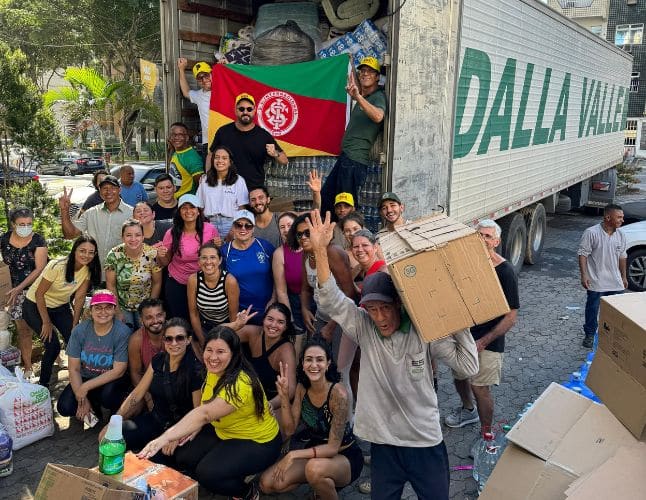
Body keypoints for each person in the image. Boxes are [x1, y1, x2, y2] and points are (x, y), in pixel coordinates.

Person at [307, 210, 479, 499]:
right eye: (372, 309)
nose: (380, 317)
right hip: (384, 443)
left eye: (385, 308)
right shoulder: (363, 326)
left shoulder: (424, 332)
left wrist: (456, 319)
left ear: (399, 305)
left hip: (424, 442)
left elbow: (469, 366)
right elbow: (330, 298)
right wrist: (321, 251)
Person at [137, 326, 282, 500]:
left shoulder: (240, 383)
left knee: (208, 474)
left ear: (234, 354)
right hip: (225, 431)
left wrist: (163, 438)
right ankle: (222, 471)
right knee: (183, 455)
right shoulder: (215, 370)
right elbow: (204, 409)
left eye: (221, 351)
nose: (213, 357)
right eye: (209, 350)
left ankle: (247, 492)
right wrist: (186, 431)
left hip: (258, 442)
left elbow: (204, 413)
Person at [260, 340, 363, 498]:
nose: (314, 365)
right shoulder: (302, 388)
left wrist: (293, 455)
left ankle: (322, 484)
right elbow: (290, 429)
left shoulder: (338, 393)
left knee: (314, 470)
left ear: (328, 364)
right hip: (314, 453)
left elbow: (332, 448)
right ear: (302, 363)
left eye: (319, 359)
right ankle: (320, 485)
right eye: (309, 359)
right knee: (267, 483)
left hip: (345, 456)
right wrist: (284, 397)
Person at [445, 220, 519, 435]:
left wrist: (484, 341)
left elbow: (511, 316)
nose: (483, 240)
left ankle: (486, 434)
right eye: (479, 235)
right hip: (464, 336)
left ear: (496, 241)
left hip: (488, 340)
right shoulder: (467, 265)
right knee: (459, 377)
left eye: (487, 236)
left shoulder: (505, 271)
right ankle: (469, 411)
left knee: (480, 388)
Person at [101, 318, 203, 463]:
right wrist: (115, 421)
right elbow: (137, 394)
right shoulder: (158, 360)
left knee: (150, 462)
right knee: (111, 437)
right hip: (156, 420)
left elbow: (197, 413)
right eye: (169, 339)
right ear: (164, 340)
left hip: (179, 428)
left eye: (180, 338)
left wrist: (175, 436)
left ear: (188, 340)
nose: (174, 343)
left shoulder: (195, 370)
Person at [23, 234, 101, 387]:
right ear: (74, 251)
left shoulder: (87, 269)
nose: (86, 255)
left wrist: (74, 324)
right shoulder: (58, 266)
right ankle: (44, 383)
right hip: (35, 304)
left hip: (60, 306)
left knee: (75, 339)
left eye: (91, 252)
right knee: (53, 346)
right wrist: (46, 322)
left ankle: (83, 378)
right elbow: (39, 294)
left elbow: (79, 299)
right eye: (82, 251)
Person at [321, 57, 386, 217]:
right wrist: (350, 62)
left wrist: (358, 97)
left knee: (346, 207)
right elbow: (358, 87)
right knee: (327, 198)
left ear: (377, 76)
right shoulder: (366, 96)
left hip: (354, 161)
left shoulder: (378, 96)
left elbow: (378, 116)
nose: (365, 74)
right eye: (362, 71)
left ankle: (351, 236)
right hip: (346, 159)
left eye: (370, 71)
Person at [56, 290, 130, 421]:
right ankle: (93, 406)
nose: (103, 312)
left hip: (110, 379)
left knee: (109, 396)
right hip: (85, 376)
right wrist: (82, 399)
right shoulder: (79, 331)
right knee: (64, 407)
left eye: (108, 307)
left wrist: (85, 388)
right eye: (98, 308)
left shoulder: (122, 332)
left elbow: (119, 370)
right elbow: (74, 368)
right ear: (91, 310)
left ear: (114, 309)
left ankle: (111, 409)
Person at [1, 207, 48, 379]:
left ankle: (54, 353)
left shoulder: (38, 240)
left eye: (29, 224)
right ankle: (28, 367)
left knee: (42, 324)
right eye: (21, 224)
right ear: (13, 225)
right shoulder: (4, 239)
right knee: (23, 330)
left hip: (36, 290)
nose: (25, 227)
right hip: (12, 291)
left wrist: (20, 288)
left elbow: (40, 268)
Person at [159, 194, 220, 319]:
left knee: (202, 319)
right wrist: (161, 255)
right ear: (179, 212)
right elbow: (165, 262)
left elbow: (216, 256)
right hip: (177, 281)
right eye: (184, 208)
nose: (188, 211)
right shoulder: (172, 232)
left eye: (192, 207)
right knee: (181, 321)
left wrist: (220, 244)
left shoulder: (210, 229)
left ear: (198, 211)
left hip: (204, 282)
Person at [208, 93, 288, 189]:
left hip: (253, 190)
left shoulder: (263, 135)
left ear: (254, 111)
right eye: (241, 109)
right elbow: (210, 155)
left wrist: (275, 153)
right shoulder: (223, 132)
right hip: (226, 187)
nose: (245, 112)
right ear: (235, 110)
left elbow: (284, 160)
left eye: (249, 109)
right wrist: (208, 177)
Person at [59, 175, 133, 271]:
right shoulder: (91, 213)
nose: (108, 191)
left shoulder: (131, 213)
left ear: (119, 190)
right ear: (100, 191)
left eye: (112, 188)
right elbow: (70, 235)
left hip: (121, 273)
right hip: (93, 273)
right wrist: (64, 210)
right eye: (104, 188)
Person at [578, 203, 627, 348]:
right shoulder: (591, 233)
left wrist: (623, 277)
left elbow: (622, 257)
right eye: (619, 217)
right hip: (596, 281)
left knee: (617, 311)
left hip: (615, 282)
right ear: (607, 217)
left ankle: (612, 336)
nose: (622, 220)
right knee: (592, 309)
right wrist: (584, 275)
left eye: (622, 217)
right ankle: (589, 334)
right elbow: (582, 254)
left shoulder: (621, 235)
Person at [236, 303, 297, 411]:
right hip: (249, 394)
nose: (273, 325)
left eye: (280, 322)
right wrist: (236, 325)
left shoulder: (286, 350)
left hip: (272, 401)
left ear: (286, 327)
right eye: (270, 319)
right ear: (263, 320)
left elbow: (291, 389)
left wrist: (269, 406)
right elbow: (219, 334)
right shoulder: (255, 333)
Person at [104, 219, 162, 331]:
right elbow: (110, 285)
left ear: (143, 237)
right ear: (122, 237)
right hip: (122, 305)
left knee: (144, 334)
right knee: (125, 334)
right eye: (129, 235)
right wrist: (117, 311)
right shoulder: (114, 255)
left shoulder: (152, 254)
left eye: (137, 235)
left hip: (145, 303)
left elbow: (157, 282)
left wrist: (149, 309)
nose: (133, 239)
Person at [221, 210, 275, 326]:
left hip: (267, 310)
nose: (243, 229)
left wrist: (274, 299)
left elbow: (278, 276)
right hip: (239, 313)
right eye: (238, 225)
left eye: (248, 225)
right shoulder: (225, 252)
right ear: (233, 227)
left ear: (254, 228)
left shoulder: (265, 246)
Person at [187, 243, 240, 346]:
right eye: (204, 258)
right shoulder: (193, 280)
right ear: (198, 261)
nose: (208, 262)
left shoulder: (229, 281)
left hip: (225, 326)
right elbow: (193, 314)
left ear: (220, 260)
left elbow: (233, 317)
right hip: (203, 326)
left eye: (212, 257)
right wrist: (202, 341)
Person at [272, 212, 308, 357]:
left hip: (318, 301)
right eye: (282, 227)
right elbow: (281, 291)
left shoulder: (309, 247)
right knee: (297, 347)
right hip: (294, 302)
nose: (286, 229)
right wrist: (290, 319)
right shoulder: (279, 254)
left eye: (289, 225)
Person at [196, 145, 249, 237]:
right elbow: (199, 206)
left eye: (224, 158)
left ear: (230, 162)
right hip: (209, 223)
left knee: (229, 250)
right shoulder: (205, 180)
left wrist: (235, 227)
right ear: (213, 161)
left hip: (231, 223)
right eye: (217, 158)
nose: (220, 161)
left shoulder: (238, 180)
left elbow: (242, 208)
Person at [128, 298, 166, 390]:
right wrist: (148, 398)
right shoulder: (136, 340)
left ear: (165, 315)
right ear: (141, 320)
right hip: (149, 385)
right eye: (149, 317)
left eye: (159, 315)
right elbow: (135, 373)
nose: (155, 321)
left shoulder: (174, 332)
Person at [178, 58, 212, 157]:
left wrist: (226, 66)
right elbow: (186, 92)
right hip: (208, 143)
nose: (204, 80)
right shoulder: (199, 95)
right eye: (199, 78)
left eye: (206, 75)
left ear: (211, 74)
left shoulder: (223, 89)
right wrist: (181, 69)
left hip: (226, 140)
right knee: (209, 172)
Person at [169, 122, 204, 198]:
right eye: (174, 135)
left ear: (187, 138)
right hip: (175, 202)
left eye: (180, 135)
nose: (176, 138)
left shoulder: (192, 157)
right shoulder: (177, 152)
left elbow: (201, 185)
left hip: (186, 204)